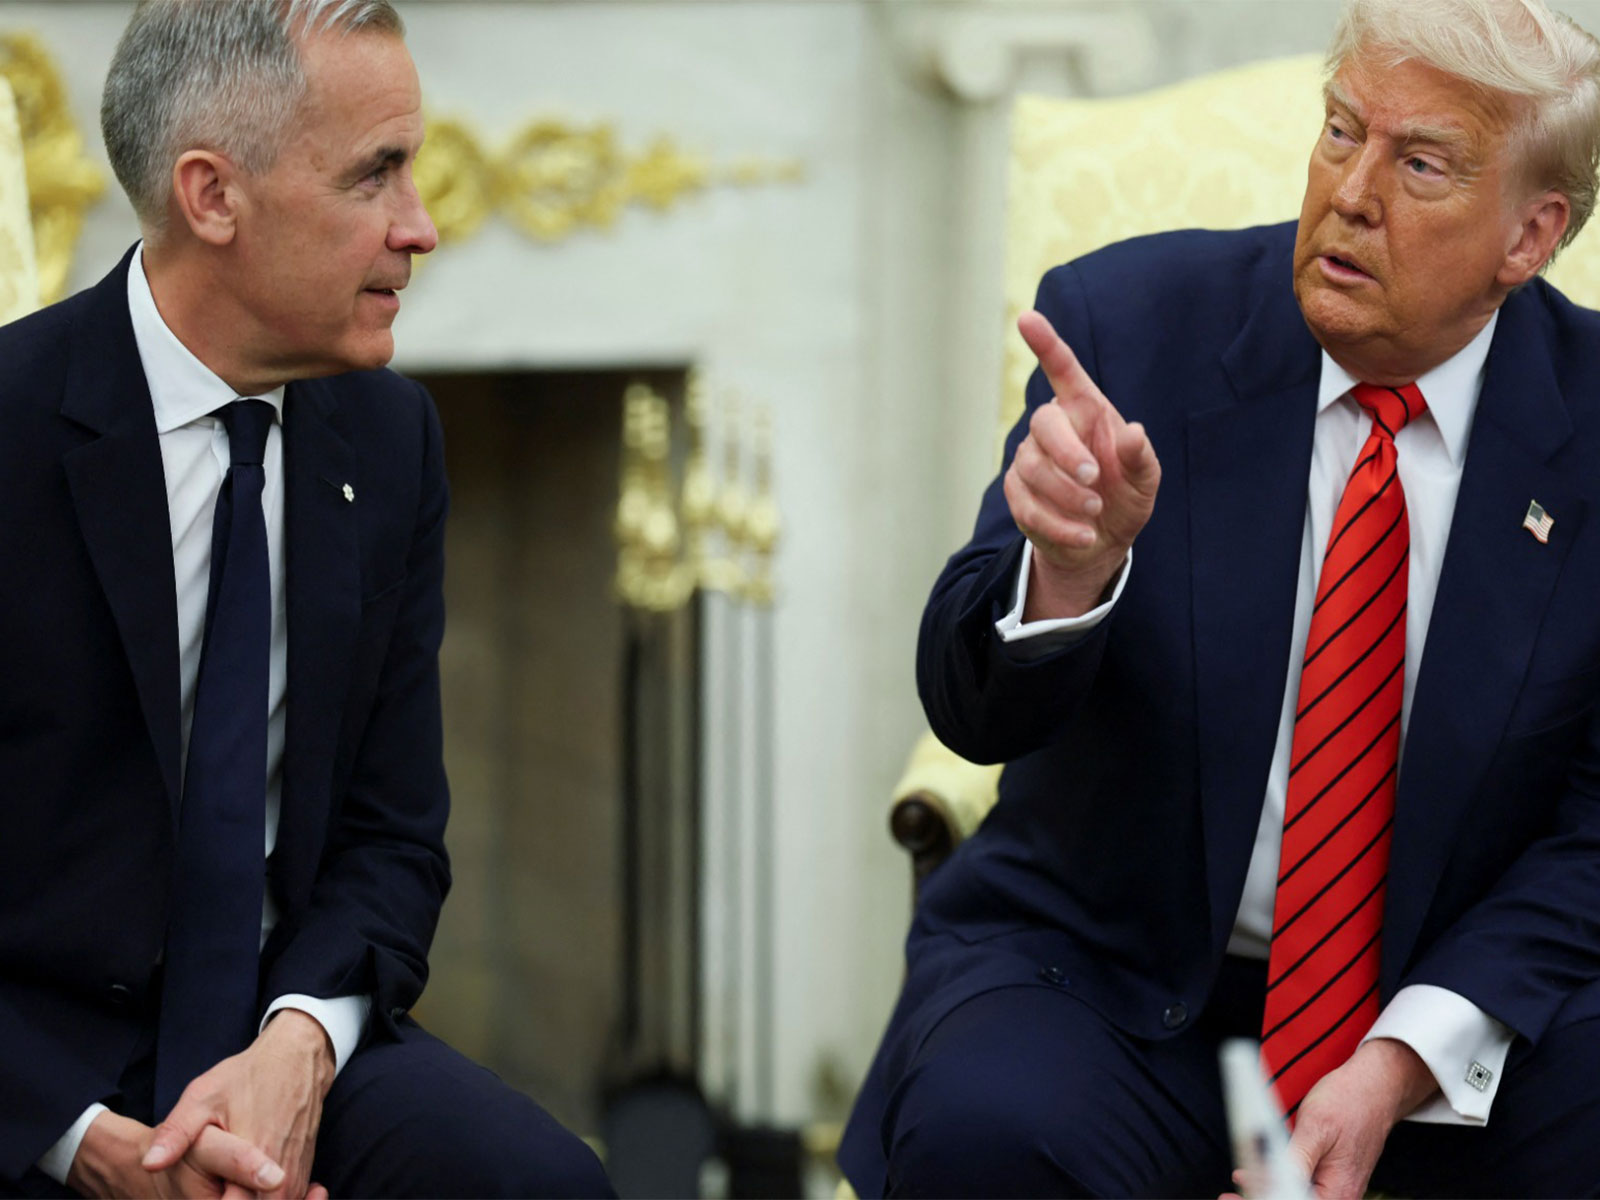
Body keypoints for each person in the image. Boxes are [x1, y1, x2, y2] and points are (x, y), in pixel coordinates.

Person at [840, 0, 1600, 1195]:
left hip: (1454, 1005)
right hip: (1111, 980)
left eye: (1419, 164)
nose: (1351, 193)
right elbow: (972, 714)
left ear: (1531, 233)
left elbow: (1592, 831)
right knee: (987, 1129)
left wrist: (1402, 1057)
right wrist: (1069, 572)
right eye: (1340, 131)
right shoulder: (1130, 331)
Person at [0, 2, 613, 1196]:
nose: (422, 226)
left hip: (282, 1016)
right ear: (212, 197)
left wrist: (300, 1045)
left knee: (542, 1182)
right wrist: (79, 1140)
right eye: (374, 175)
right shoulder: (13, 430)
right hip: (32, 1072)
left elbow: (393, 837)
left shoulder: (391, 439)